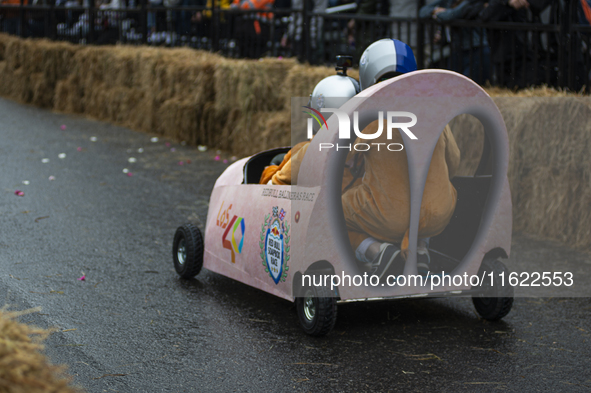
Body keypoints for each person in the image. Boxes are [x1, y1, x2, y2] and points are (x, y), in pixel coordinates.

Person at [262, 39, 460, 280]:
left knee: (330, 210)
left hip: (389, 216)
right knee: (435, 192)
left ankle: (377, 252)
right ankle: (420, 250)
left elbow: (345, 156)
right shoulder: (434, 113)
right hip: (440, 214)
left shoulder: (368, 122)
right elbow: (455, 162)